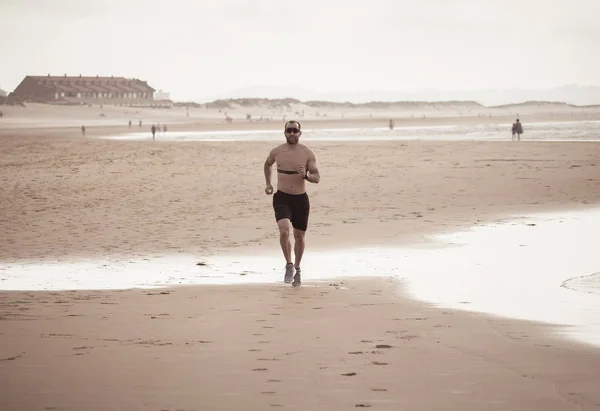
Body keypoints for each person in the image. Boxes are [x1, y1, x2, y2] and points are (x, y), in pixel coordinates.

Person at [264, 121, 320, 287]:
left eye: (295, 130)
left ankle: (298, 268)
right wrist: (268, 183)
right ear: (285, 133)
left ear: (300, 133)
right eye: (289, 130)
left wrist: (306, 176)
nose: (292, 133)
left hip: (300, 200)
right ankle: (288, 265)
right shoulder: (277, 151)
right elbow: (267, 164)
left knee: (299, 236)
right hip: (281, 197)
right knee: (284, 232)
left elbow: (316, 178)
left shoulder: (307, 153)